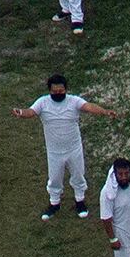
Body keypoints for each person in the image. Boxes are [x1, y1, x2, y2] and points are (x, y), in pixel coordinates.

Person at [15, 73, 91, 216]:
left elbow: (88, 107)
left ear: (66, 89)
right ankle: (54, 203)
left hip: (74, 148)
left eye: (61, 91)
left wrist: (105, 112)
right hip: (54, 151)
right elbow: (31, 112)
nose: (58, 94)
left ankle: (80, 201)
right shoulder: (42, 102)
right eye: (54, 91)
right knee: (54, 178)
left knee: (78, 175)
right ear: (49, 90)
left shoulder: (74, 101)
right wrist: (21, 112)